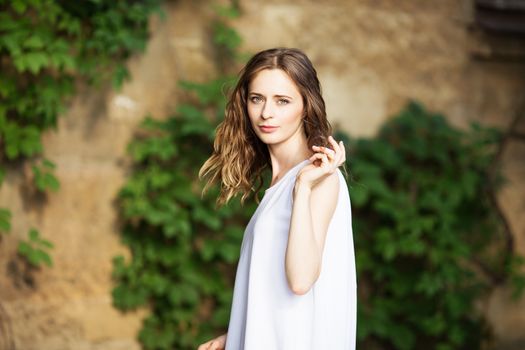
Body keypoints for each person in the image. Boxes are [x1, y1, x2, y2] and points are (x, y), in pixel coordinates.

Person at [197, 47, 356, 350]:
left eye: (282, 101)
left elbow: (300, 281)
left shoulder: (319, 179)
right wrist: (239, 335)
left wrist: (304, 188)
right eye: (257, 99)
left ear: (306, 106)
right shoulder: (285, 180)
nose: (266, 113)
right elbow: (274, 289)